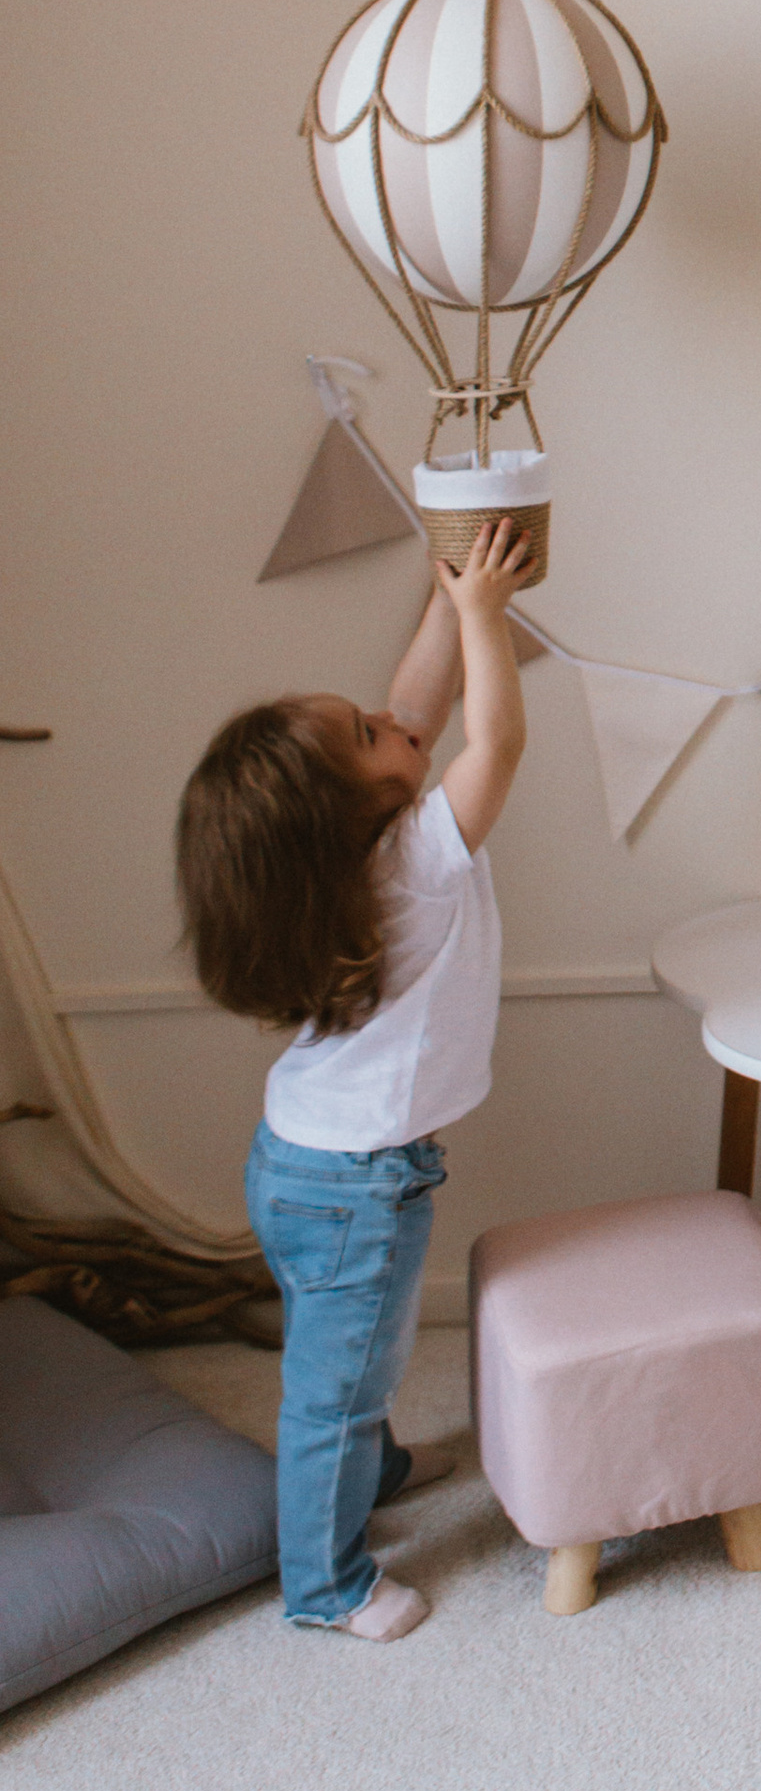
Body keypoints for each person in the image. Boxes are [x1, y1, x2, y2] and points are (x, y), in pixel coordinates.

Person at [175, 518, 537, 1641]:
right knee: (336, 1389)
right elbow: (496, 746)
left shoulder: (364, 856)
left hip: (306, 1160)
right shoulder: (420, 862)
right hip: (354, 1189)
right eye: (373, 734)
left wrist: (444, 600)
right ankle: (324, 1586)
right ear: (358, 809)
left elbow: (417, 708)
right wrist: (484, 620)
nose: (396, 720)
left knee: (350, 1353)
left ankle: (372, 1473)